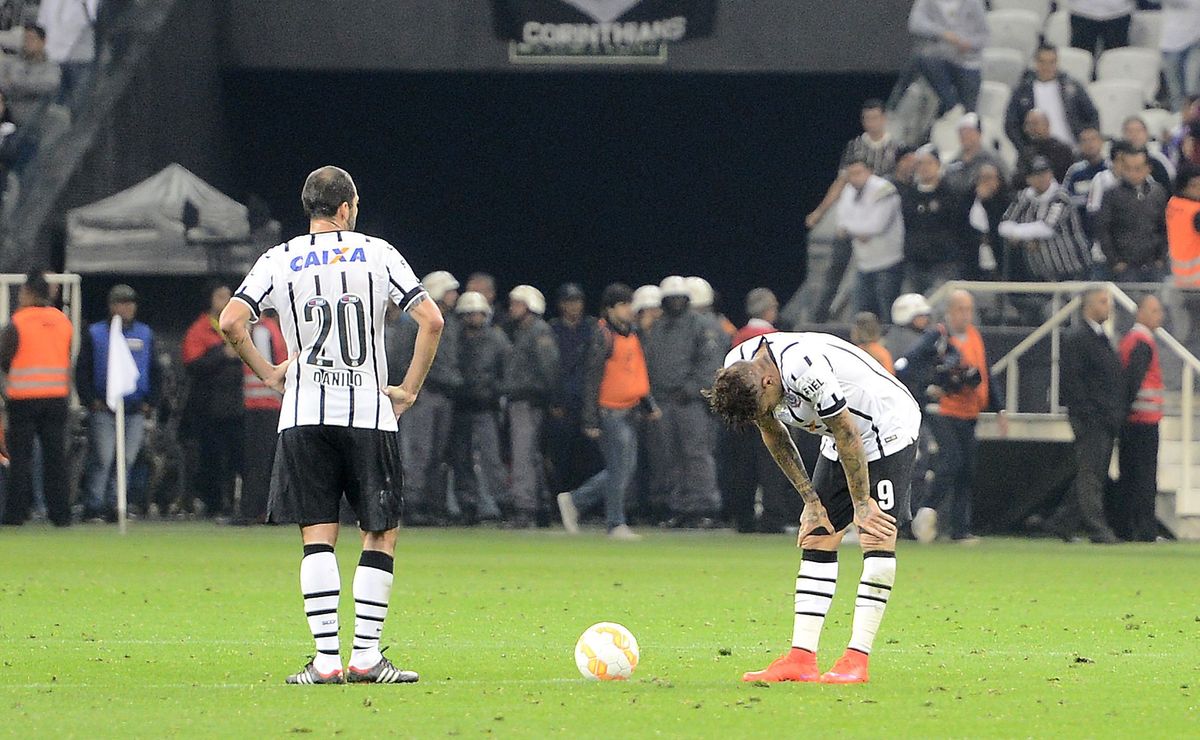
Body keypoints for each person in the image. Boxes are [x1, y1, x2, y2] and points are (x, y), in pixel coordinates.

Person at [220, 165, 443, 684]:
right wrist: (409, 388)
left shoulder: (279, 258)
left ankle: (325, 662)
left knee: (317, 536)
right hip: (368, 412)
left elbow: (231, 321)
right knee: (379, 533)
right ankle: (365, 656)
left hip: (304, 415)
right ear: (346, 208)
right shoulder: (379, 253)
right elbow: (431, 319)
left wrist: (269, 372)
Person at [704, 331, 921, 684]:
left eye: (765, 406)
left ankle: (857, 658)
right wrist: (810, 501)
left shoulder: (805, 368)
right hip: (837, 435)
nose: (766, 414)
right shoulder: (739, 369)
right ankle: (801, 658)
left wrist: (861, 505)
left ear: (769, 381)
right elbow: (774, 433)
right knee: (818, 534)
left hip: (885, 428)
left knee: (875, 533)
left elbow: (848, 432)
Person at [557, 284, 659, 541]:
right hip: (610, 411)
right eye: (623, 305)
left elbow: (636, 372)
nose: (628, 309)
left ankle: (575, 501)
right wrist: (590, 419)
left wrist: (648, 404)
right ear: (610, 309)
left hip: (629, 409)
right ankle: (615, 523)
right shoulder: (602, 335)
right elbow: (591, 379)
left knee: (623, 469)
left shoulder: (631, 334)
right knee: (619, 469)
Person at [903, 290, 1006, 544]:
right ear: (949, 312)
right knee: (951, 460)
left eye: (969, 309)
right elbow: (909, 364)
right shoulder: (937, 337)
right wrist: (929, 387)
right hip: (944, 410)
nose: (966, 315)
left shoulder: (975, 336)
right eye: (960, 309)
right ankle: (926, 509)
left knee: (966, 469)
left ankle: (960, 529)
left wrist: (999, 408)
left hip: (970, 411)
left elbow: (985, 373)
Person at [806, 99, 901, 324]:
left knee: (881, 281)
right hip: (856, 219)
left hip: (882, 219)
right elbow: (842, 183)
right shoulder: (855, 146)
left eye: (875, 118)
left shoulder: (895, 147)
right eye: (867, 119)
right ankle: (817, 319)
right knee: (835, 269)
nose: (871, 123)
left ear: (883, 119)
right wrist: (820, 211)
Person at [642, 276, 724, 527]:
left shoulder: (701, 325)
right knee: (669, 457)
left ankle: (704, 508)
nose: (676, 302)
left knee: (696, 454)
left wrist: (690, 389)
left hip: (692, 403)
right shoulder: (657, 328)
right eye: (671, 299)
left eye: (680, 298)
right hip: (664, 402)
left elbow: (710, 363)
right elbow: (649, 363)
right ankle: (678, 507)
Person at [1044, 287, 1123, 544]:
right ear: (1088, 306)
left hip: (1104, 416)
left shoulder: (1099, 337)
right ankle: (1097, 527)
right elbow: (1073, 379)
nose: (1107, 306)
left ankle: (1062, 522)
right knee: (1091, 474)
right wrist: (1087, 412)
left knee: (1092, 471)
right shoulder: (1078, 337)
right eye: (1102, 301)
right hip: (1091, 418)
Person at [76, 284, 158, 522]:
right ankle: (94, 504)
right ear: (112, 306)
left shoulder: (144, 334)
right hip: (103, 407)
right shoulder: (96, 333)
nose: (127, 308)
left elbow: (155, 370)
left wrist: (150, 401)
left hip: (134, 408)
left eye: (130, 303)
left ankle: (116, 503)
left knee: (127, 459)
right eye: (122, 303)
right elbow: (83, 370)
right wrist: (90, 401)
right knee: (103, 456)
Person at [387, 270, 461, 525]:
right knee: (417, 452)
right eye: (450, 290)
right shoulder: (413, 321)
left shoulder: (450, 321)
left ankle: (431, 505)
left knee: (436, 454)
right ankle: (412, 505)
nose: (455, 295)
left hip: (443, 394)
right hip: (423, 394)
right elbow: (400, 358)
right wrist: (410, 387)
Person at [0, 271, 72, 527]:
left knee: (20, 460)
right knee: (56, 459)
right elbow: (67, 355)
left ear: (28, 292)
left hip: (23, 399)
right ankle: (61, 514)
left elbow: (4, 358)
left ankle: (15, 514)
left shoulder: (18, 322)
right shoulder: (63, 321)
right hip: (56, 398)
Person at [724, 288, 799, 533]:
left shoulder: (737, 337)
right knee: (773, 465)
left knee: (743, 466)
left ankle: (743, 518)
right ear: (770, 310)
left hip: (741, 409)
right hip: (769, 409)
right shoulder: (775, 339)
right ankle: (772, 518)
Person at [181, 282, 244, 518]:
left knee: (236, 457)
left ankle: (234, 503)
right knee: (212, 457)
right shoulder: (200, 329)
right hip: (208, 407)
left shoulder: (238, 327)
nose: (225, 301)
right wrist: (222, 355)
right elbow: (192, 365)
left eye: (229, 296)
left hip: (236, 405)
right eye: (220, 296)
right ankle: (214, 503)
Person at [502, 284, 560, 528]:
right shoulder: (522, 331)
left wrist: (552, 399)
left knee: (524, 456)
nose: (512, 308)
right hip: (523, 401)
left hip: (529, 402)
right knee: (531, 456)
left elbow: (549, 369)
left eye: (517, 304)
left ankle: (525, 509)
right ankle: (541, 507)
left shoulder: (538, 331)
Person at [451, 291, 510, 525]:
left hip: (487, 407)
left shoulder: (497, 339)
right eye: (470, 314)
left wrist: (494, 390)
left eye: (478, 314)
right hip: (460, 406)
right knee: (461, 459)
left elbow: (507, 370)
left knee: (491, 458)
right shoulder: (454, 339)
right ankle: (467, 505)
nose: (475, 318)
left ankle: (501, 504)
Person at [998, 156, 1092, 283]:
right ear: (1028, 179)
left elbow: (1047, 228)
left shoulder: (1060, 196)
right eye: (1037, 175)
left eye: (1045, 173)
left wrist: (1018, 234)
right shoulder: (1023, 197)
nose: (1042, 178)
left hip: (1072, 268)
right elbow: (1004, 225)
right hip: (1041, 272)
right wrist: (1024, 238)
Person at [1117, 296, 1165, 542]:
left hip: (1133, 420)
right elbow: (1133, 381)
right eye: (1154, 311)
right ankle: (1144, 531)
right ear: (1140, 313)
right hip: (1143, 420)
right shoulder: (1142, 342)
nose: (1160, 316)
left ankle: (1127, 528)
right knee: (1144, 477)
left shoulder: (1130, 340)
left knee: (1130, 475)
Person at [836, 157, 905, 319]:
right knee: (860, 315)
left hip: (887, 262)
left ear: (869, 171)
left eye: (858, 173)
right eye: (851, 174)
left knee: (887, 314)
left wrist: (851, 229)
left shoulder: (885, 190)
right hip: (863, 263)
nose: (854, 178)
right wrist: (858, 231)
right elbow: (841, 222)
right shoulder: (848, 190)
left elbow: (876, 226)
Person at [547, 283, 598, 496]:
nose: (574, 306)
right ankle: (560, 500)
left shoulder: (592, 328)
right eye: (569, 301)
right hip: (563, 403)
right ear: (561, 305)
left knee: (590, 455)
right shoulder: (552, 330)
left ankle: (585, 503)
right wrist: (555, 401)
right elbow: (550, 369)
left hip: (587, 401)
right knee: (561, 455)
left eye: (577, 301)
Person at [898, 147, 970, 294]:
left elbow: (960, 227)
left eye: (929, 163)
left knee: (940, 302)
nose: (924, 167)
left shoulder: (951, 194)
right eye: (920, 163)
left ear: (938, 165)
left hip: (944, 263)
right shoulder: (909, 196)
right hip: (915, 263)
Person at [237, 309, 286, 524]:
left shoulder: (262, 331)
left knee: (257, 461)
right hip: (270, 404)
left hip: (261, 404)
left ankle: (253, 510)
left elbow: (265, 369)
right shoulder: (274, 330)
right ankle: (268, 510)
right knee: (268, 460)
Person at [1005, 45, 1099, 150]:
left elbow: (1092, 115)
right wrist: (1025, 149)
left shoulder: (1072, 87)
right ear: (1035, 63)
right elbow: (1011, 124)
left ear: (1057, 63)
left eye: (1051, 62)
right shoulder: (1022, 91)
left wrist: (1087, 142)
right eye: (1042, 62)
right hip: (1037, 152)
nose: (1047, 67)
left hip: (1073, 149)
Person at [1097, 148, 1169, 282]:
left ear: (1148, 169)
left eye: (1138, 168)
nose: (1132, 173)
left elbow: (1165, 227)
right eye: (1128, 168)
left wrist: (1161, 257)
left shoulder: (1157, 192)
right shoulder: (1111, 194)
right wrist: (1115, 261)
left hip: (1154, 263)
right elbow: (1103, 229)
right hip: (1125, 265)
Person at [906, 0, 988, 117]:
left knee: (970, 111)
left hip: (968, 61)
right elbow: (915, 23)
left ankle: (962, 115)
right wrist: (943, 33)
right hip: (941, 57)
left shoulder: (974, 2)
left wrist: (969, 44)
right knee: (923, 58)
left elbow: (984, 36)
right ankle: (952, 106)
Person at [0, 24, 61, 124]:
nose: (28, 43)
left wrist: (14, 83)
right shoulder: (11, 62)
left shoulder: (51, 67)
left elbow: (49, 85)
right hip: (9, 110)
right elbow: (2, 82)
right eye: (25, 39)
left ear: (43, 42)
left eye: (32, 39)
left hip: (36, 112)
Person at [944, 113, 1007, 194]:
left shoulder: (993, 159)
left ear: (979, 134)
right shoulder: (953, 163)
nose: (965, 136)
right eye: (962, 133)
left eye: (969, 132)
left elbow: (1007, 181)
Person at [1063, 128, 1109, 235]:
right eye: (1084, 141)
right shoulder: (1075, 171)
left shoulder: (1111, 169)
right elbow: (1066, 197)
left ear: (1101, 142)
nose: (1089, 144)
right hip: (1081, 229)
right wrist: (1088, 199)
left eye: (1093, 139)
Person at [1015, 110, 1076, 183]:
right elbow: (1020, 179)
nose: (1031, 128)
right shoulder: (1025, 154)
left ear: (1047, 124)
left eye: (1035, 123)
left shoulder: (1062, 149)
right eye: (1028, 125)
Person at [1161, 0, 1200, 113]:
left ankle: (1194, 121)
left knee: (1192, 90)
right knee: (1176, 93)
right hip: (1170, 44)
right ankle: (1179, 120)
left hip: (1195, 43)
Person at [1121, 116, 1175, 192]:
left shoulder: (1158, 158)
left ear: (1146, 133)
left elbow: (1171, 179)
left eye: (1138, 131)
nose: (1134, 135)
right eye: (1130, 131)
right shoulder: (1116, 160)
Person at [1168, 165, 1200, 289]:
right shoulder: (1195, 212)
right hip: (1196, 282)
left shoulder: (1173, 203)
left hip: (1178, 278)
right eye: (1194, 185)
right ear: (1184, 186)